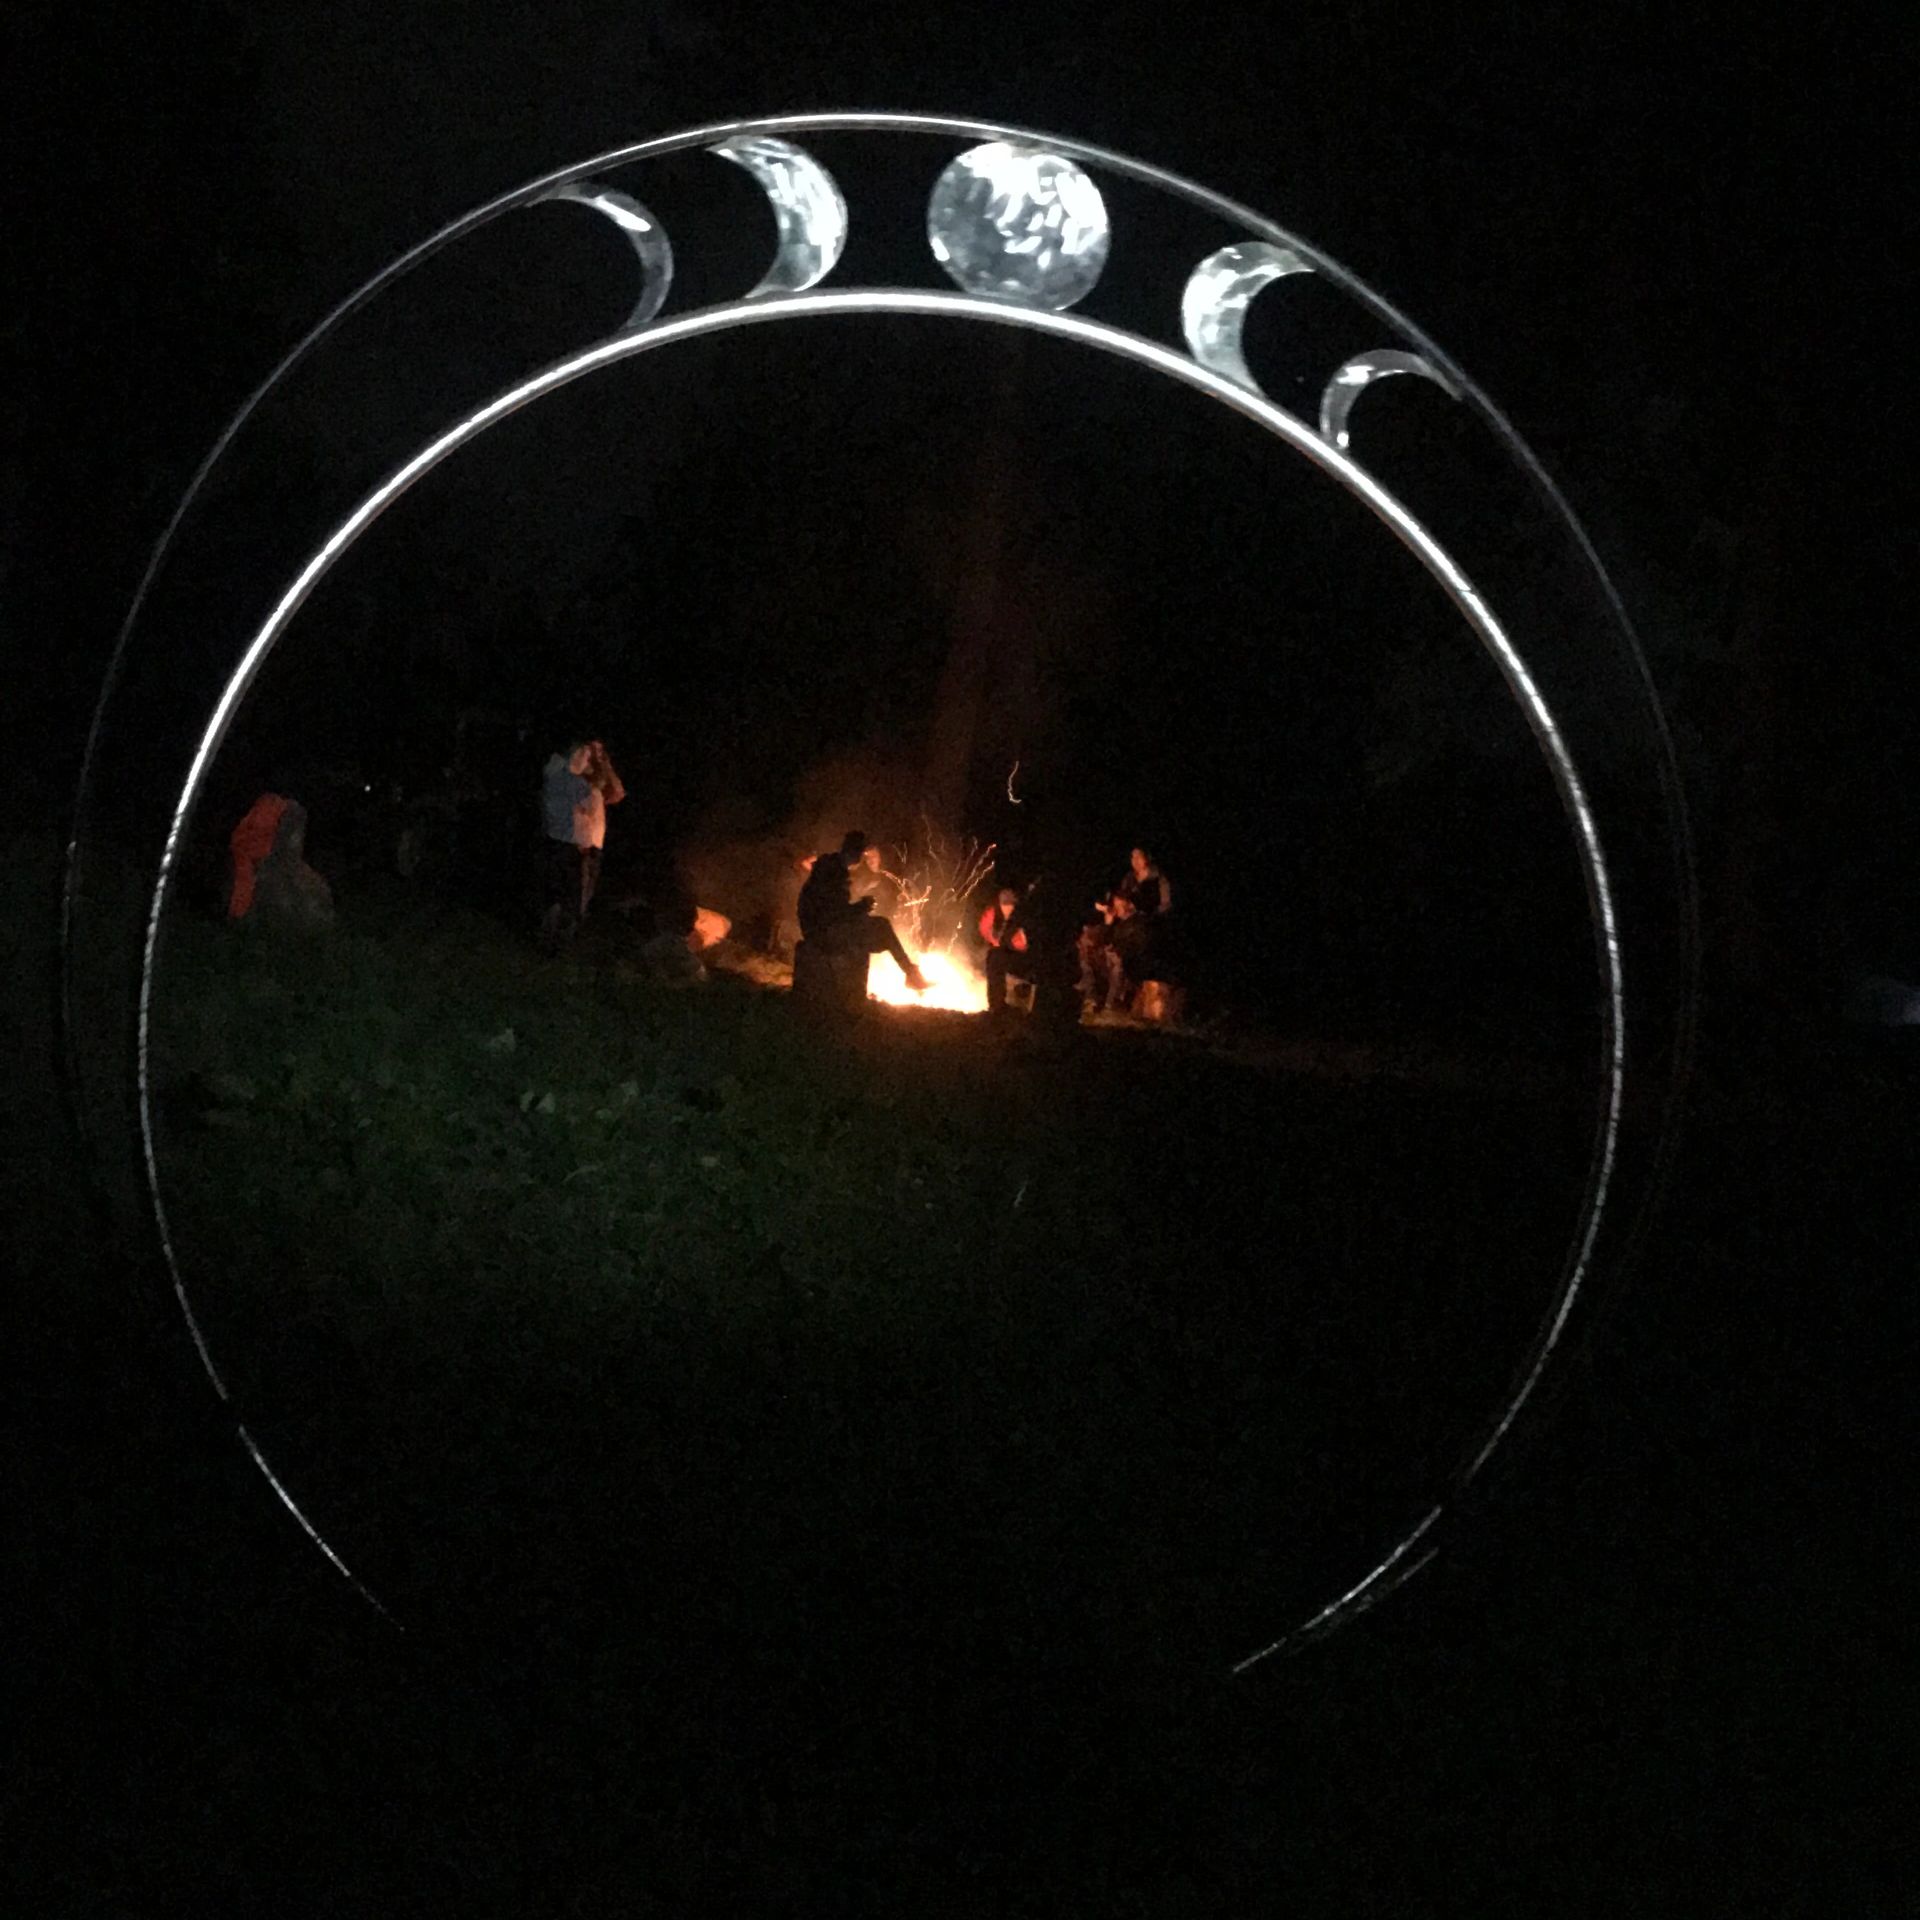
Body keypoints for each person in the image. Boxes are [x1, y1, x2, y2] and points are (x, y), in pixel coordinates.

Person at [797, 829, 930, 991]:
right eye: (861, 852)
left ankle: (911, 973)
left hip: (820, 929)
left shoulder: (832, 866)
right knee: (882, 927)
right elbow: (832, 913)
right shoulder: (833, 870)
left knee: (880, 926)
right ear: (854, 851)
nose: (862, 858)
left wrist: (859, 909)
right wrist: (861, 907)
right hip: (823, 933)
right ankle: (911, 975)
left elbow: (834, 910)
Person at [540, 736, 625, 945]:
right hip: (576, 847)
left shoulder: (585, 784)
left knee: (573, 896)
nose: (591, 758)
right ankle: (558, 942)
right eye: (587, 753)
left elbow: (616, 793)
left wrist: (604, 762)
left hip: (585, 846)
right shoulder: (570, 780)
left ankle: (556, 941)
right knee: (571, 897)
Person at [978, 885, 1031, 1014]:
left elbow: (1026, 943)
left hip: (1025, 957)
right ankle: (997, 1005)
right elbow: (984, 928)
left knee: (996, 959)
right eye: (1005, 904)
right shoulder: (993, 914)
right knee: (994, 958)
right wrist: (996, 940)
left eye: (1011, 905)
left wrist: (1014, 942)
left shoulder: (1023, 918)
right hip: (1004, 954)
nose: (1008, 908)